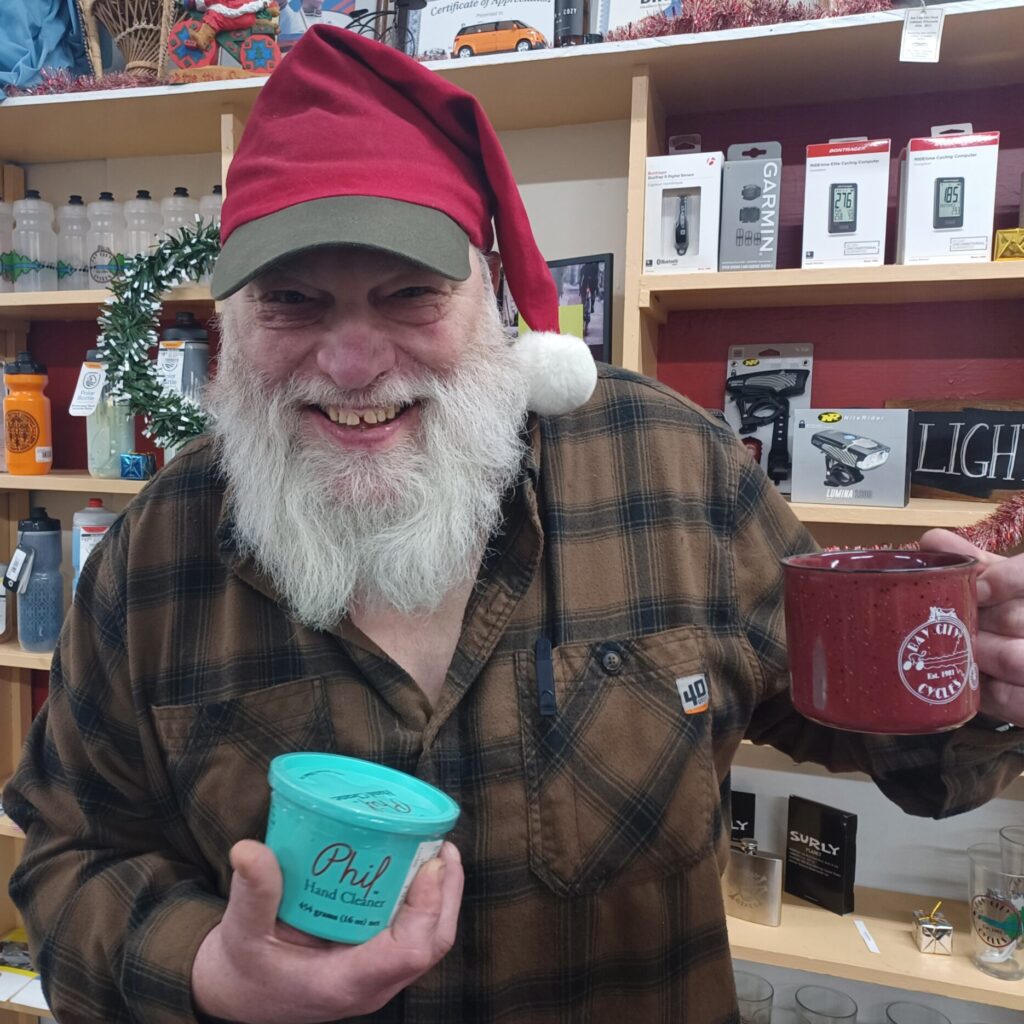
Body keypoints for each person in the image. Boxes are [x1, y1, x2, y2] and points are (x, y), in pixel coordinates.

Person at [5, 25, 1024, 1024]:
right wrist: (207, 973)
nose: (352, 362)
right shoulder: (160, 548)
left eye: (410, 294)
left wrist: (986, 681)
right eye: (292, 301)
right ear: (235, 325)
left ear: (492, 298)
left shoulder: (678, 475)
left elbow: (898, 740)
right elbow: (66, 850)